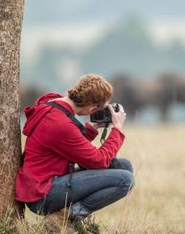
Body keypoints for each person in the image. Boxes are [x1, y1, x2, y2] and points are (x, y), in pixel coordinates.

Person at [15, 74, 134, 230]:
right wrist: (117, 130)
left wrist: (91, 129)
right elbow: (99, 161)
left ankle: (68, 216)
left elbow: (68, 145)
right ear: (92, 109)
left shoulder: (53, 103)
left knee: (123, 166)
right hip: (42, 194)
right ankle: (65, 217)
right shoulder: (60, 123)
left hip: (45, 182)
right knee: (126, 180)